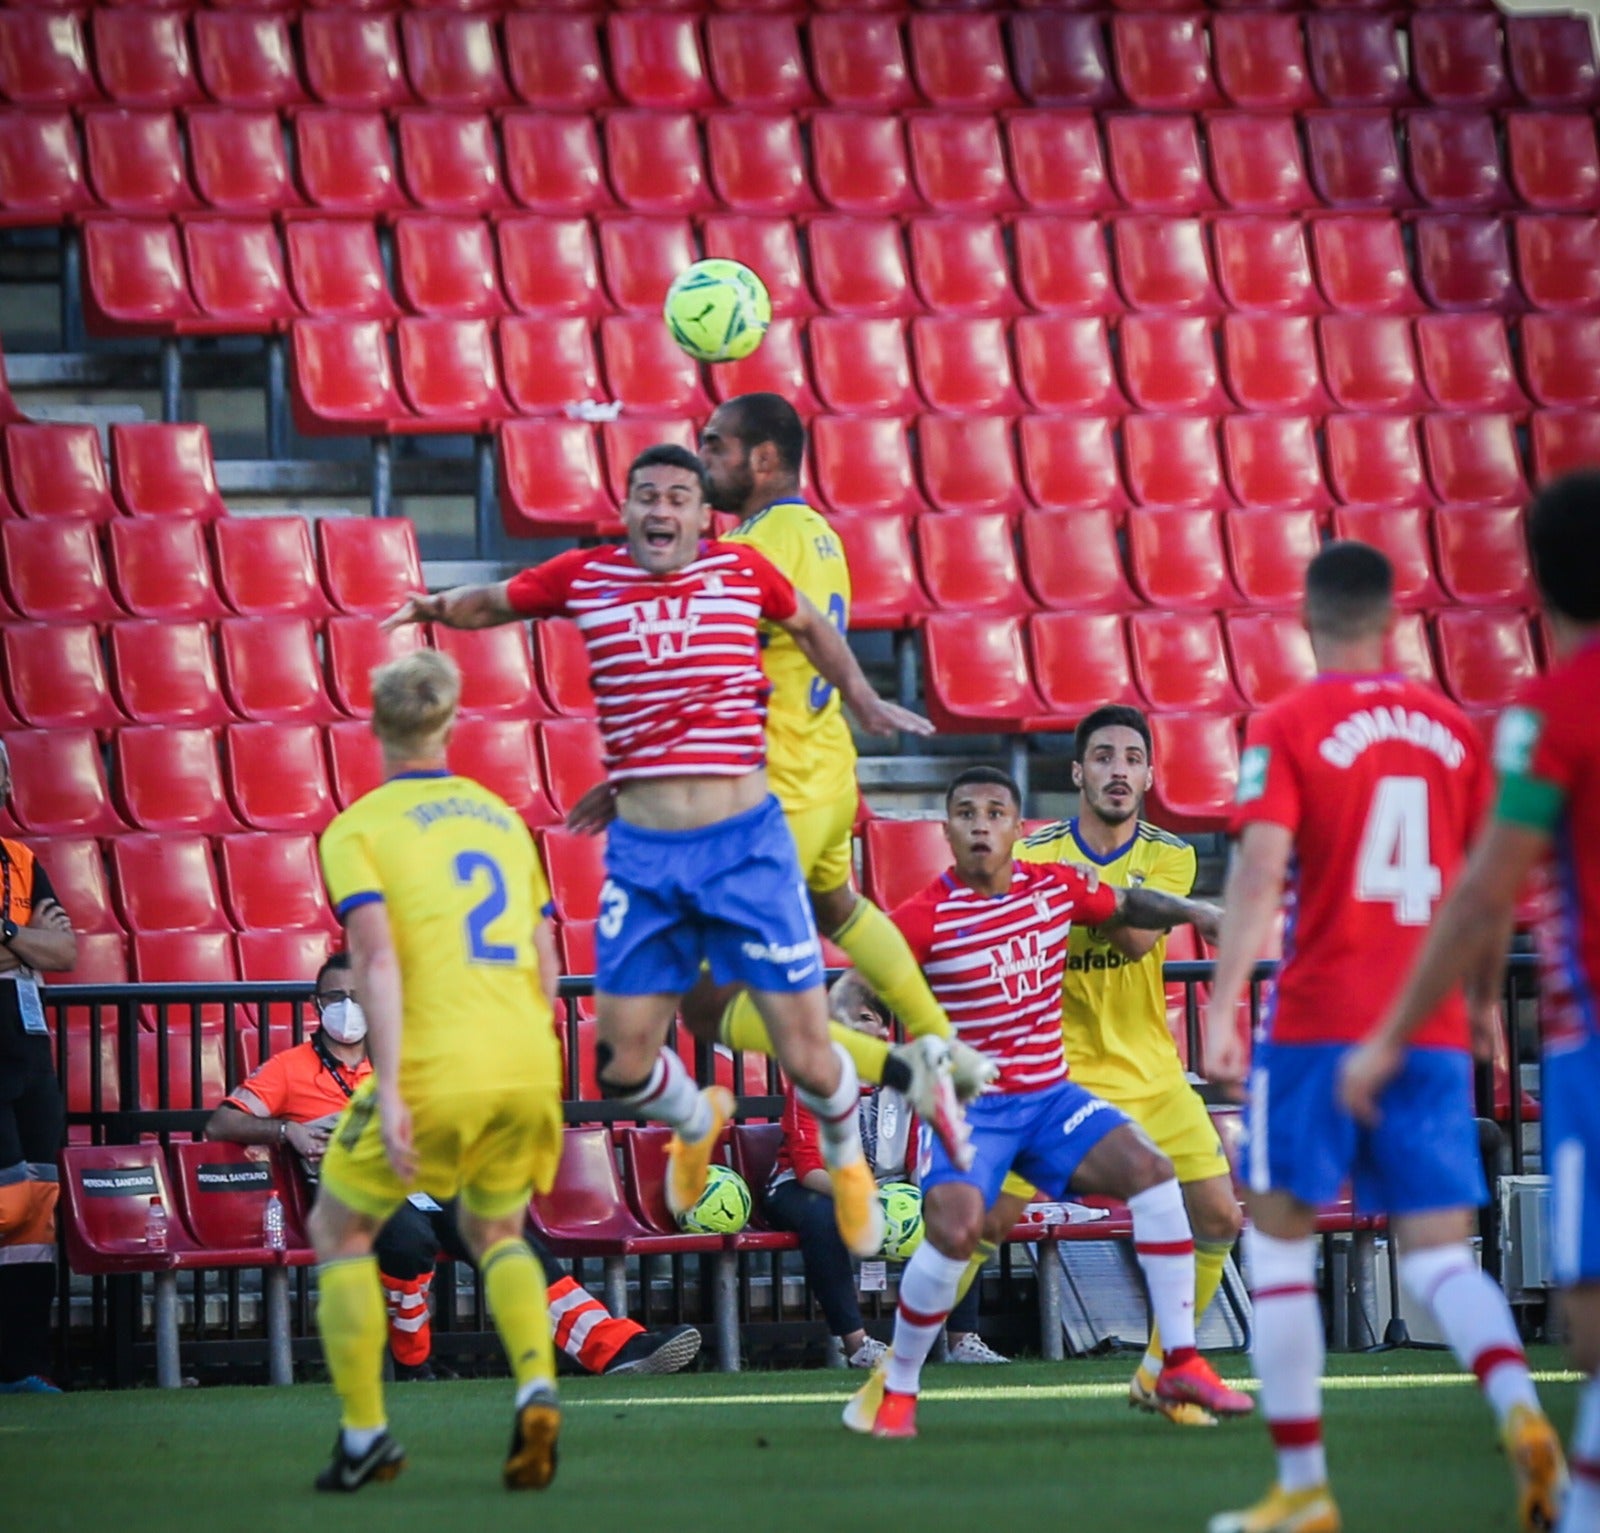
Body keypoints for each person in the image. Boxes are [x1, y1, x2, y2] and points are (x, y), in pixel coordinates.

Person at [385, 444, 935, 1261]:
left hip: (747, 848)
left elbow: (811, 625)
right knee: (621, 1061)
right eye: (647, 495)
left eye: (679, 495)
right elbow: (494, 602)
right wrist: (429, 602)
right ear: (629, 505)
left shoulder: (744, 571)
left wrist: (863, 696)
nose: (661, 510)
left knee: (809, 1049)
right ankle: (692, 1113)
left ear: (700, 515)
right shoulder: (585, 575)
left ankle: (853, 1169)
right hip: (646, 860)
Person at [1202, 541, 1564, 1533]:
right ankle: (1523, 1416)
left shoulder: (1290, 721)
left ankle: (1304, 1489)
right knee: (1441, 1261)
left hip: (1320, 1022)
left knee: (1277, 1249)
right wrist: (1485, 1009)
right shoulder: (1455, 733)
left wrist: (1225, 993)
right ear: (1396, 618)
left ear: (1309, 621)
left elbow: (1260, 869)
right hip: (1433, 1029)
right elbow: (1488, 894)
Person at [845, 768, 1253, 1440]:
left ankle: (1177, 1359)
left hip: (1049, 1096)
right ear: (947, 832)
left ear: (1018, 829)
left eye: (995, 811)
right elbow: (856, 983)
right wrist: (848, 1019)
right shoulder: (923, 914)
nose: (981, 823)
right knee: (958, 1232)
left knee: (1153, 1175)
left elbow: (1126, 905)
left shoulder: (1053, 886)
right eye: (966, 813)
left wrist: (1196, 911)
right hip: (970, 1108)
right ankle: (897, 1383)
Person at [1341, 476, 1598, 1533]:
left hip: (1587, 1046)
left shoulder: (1549, 711)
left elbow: (1487, 884)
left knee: (1585, 1320)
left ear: (1532, 579)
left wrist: (1401, 1029)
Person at [694, 394, 989, 1139]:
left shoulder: (751, 548)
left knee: (698, 995)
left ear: (763, 459)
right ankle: (942, 1040)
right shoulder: (819, 535)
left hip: (777, 790)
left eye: (714, 447)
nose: (704, 463)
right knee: (840, 907)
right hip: (827, 774)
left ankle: (908, 1065)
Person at [310, 649, 566, 1492]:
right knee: (497, 1233)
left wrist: (388, 1088)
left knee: (338, 1229)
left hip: (433, 1060)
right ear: (451, 723)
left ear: (377, 726)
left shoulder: (358, 827)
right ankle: (535, 1384)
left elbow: (376, 962)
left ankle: (364, 1434)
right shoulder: (501, 817)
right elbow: (548, 962)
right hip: (526, 1059)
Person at [208, 952, 700, 1381]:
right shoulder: (289, 1067)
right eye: (334, 998)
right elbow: (222, 1122)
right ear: (317, 1006)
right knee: (408, 1241)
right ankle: (413, 1362)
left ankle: (614, 1347)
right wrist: (284, 1131)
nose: (347, 1008)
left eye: (359, 995)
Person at [1017, 705, 1244, 1425]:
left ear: (1149, 775)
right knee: (979, 1220)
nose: (1120, 769)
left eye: (1133, 757)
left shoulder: (1171, 855)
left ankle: (1158, 1371)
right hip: (1058, 1075)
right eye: (1105, 756)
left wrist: (1078, 896)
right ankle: (892, 1370)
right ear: (1078, 771)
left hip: (1152, 1072)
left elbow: (1139, 939)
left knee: (1218, 1216)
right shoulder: (1031, 853)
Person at [765, 991, 1002, 1369]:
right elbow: (809, 1168)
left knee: (959, 1205)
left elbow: (916, 1159)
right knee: (822, 1217)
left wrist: (927, 1197)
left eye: (864, 1017)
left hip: (887, 1188)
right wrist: (865, 1198)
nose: (853, 1026)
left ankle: (962, 1340)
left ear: (883, 1030)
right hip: (806, 1187)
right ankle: (857, 1345)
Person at [0, 740, 77, 1395]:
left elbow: (64, 949)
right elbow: (40, 944)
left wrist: (5, 936)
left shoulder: (22, 862)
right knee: (4, 1205)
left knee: (36, 1213)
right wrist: (24, 939)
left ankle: (21, 1365)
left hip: (29, 1059)